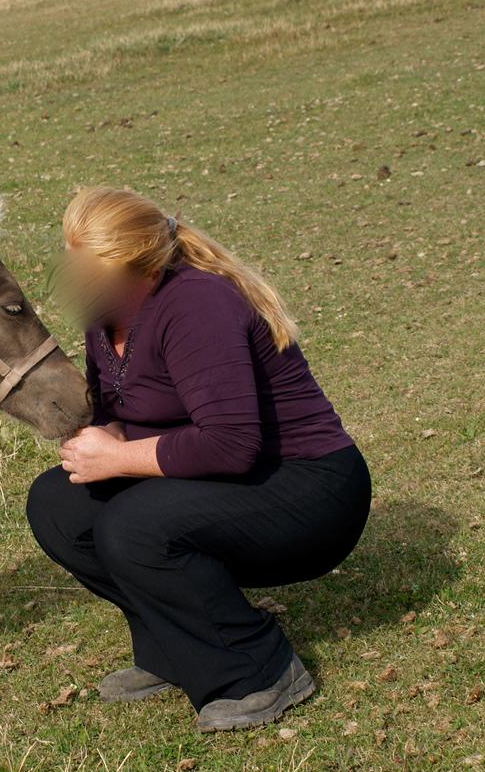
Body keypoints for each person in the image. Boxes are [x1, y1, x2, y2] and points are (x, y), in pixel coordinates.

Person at [25, 187, 371, 732]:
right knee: (57, 504)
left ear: (139, 270)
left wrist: (117, 457)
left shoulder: (197, 304)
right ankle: (176, 651)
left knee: (134, 527)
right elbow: (121, 404)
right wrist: (104, 434)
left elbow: (231, 444)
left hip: (310, 489)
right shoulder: (105, 315)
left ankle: (259, 670)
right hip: (227, 476)